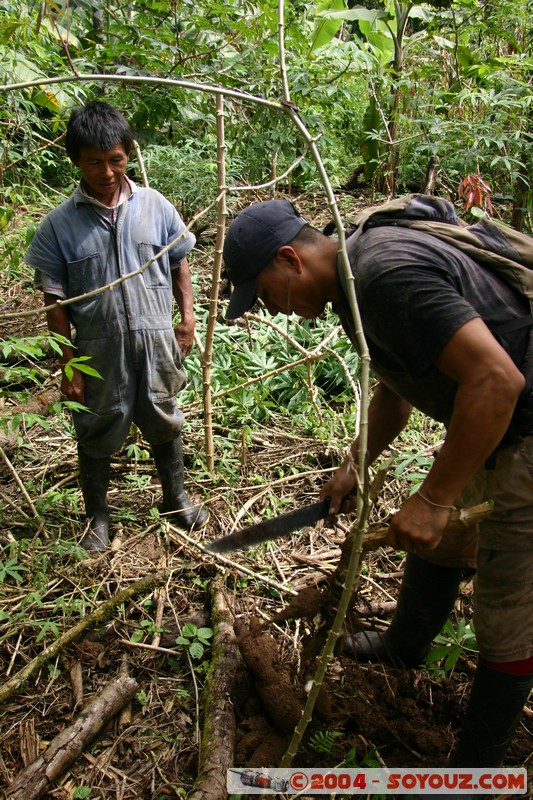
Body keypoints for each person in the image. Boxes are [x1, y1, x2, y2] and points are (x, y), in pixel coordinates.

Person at [222, 197, 533, 777]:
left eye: (265, 294)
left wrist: (435, 498)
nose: (273, 310)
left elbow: (497, 380)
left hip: (522, 424)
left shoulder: (385, 276)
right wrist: (355, 464)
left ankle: (471, 776)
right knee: (437, 541)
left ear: (289, 259)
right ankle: (405, 646)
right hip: (490, 420)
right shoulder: (349, 277)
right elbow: (398, 383)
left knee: (508, 610)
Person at [26, 101, 208, 552]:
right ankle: (98, 520)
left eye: (115, 160)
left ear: (127, 154)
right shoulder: (57, 226)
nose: (106, 171)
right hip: (96, 350)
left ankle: (176, 500)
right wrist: (68, 363)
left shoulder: (156, 206)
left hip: (155, 340)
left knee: (164, 417)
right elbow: (54, 301)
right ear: (77, 161)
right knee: (95, 429)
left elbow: (180, 263)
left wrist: (186, 320)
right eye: (94, 161)